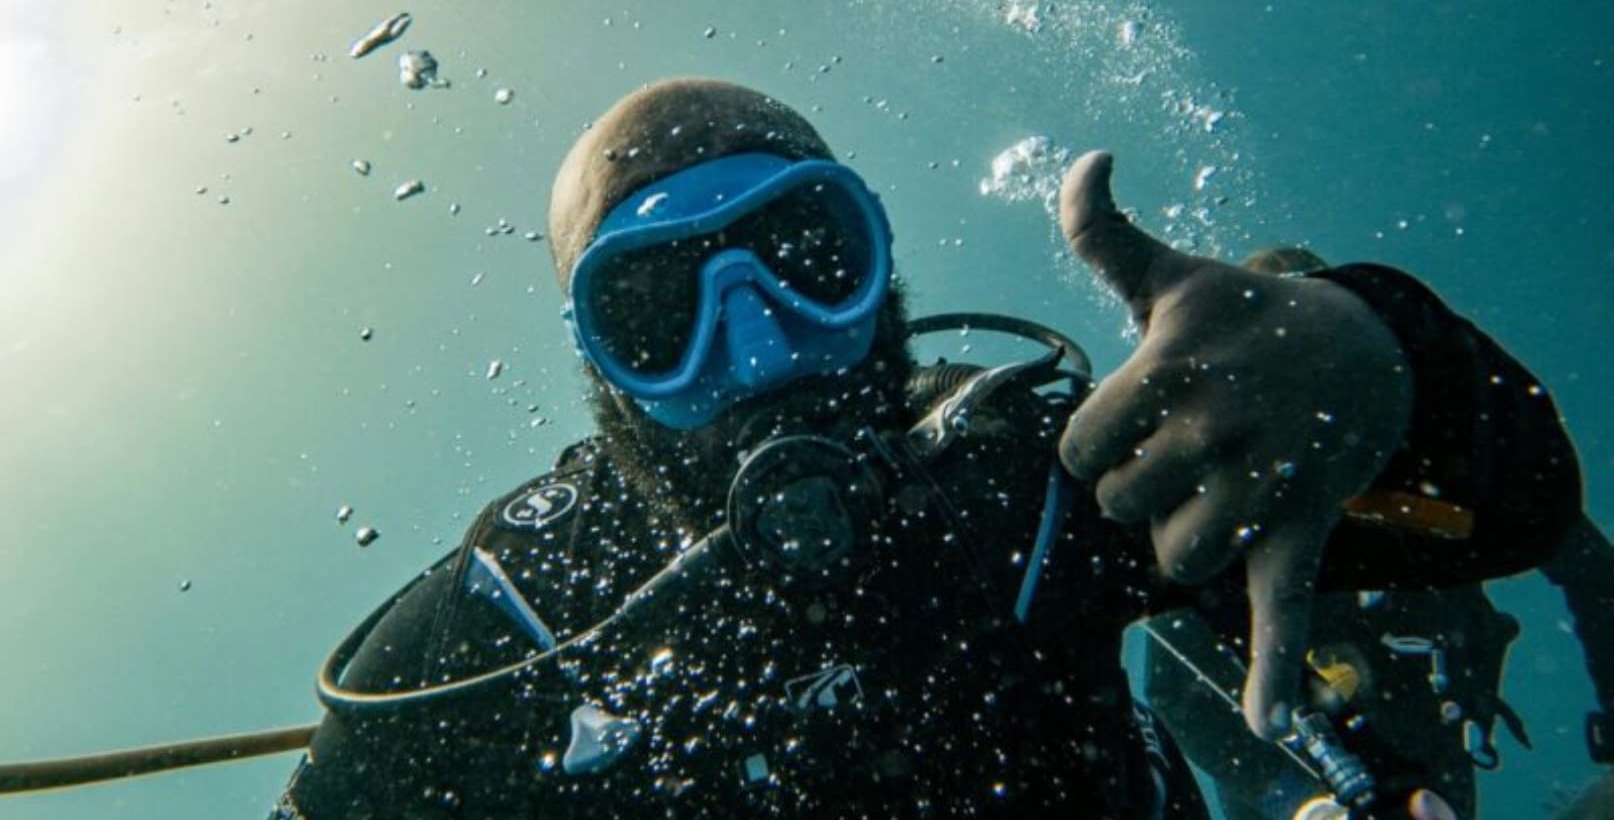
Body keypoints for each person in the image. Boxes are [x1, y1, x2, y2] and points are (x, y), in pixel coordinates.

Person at [271, 79, 1582, 819]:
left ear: (880, 278)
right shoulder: (513, 623)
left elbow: (1515, 507)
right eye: (661, 313)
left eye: (803, 262)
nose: (760, 343)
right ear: (598, 367)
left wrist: (1392, 369)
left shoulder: (1026, 466)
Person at [1142, 249, 1614, 820]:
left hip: (1427, 731)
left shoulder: (1436, 468)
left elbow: (1583, 559)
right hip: (1285, 774)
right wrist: (1288, 796)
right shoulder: (1215, 504)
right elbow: (1176, 695)